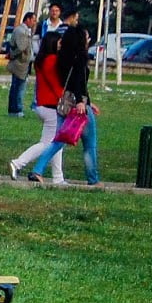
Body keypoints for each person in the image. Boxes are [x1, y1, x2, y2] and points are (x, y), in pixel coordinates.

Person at [29, 10, 100, 185]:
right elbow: (79, 83)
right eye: (87, 38)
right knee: (89, 144)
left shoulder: (62, 58)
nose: (89, 40)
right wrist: (84, 102)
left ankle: (38, 169)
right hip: (78, 105)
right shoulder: (81, 58)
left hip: (63, 103)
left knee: (59, 140)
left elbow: (70, 83)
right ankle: (93, 178)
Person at [9, 32, 66, 185]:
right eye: (59, 42)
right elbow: (55, 85)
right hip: (50, 106)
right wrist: (67, 99)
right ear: (53, 43)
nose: (61, 45)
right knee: (48, 144)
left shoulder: (42, 60)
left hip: (43, 104)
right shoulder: (51, 60)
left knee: (56, 143)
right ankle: (18, 162)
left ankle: (58, 177)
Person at [7, 11, 34, 116]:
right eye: (33, 20)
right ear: (28, 19)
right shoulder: (21, 31)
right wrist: (13, 54)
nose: (34, 22)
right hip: (20, 63)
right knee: (18, 87)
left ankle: (15, 109)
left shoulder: (25, 30)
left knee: (18, 86)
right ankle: (16, 109)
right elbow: (21, 47)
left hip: (23, 62)